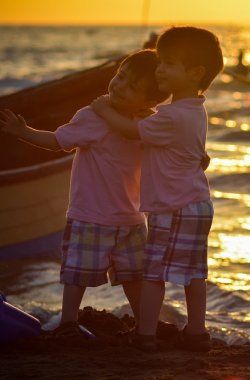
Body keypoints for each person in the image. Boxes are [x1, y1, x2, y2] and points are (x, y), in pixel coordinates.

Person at [0, 50, 170, 338]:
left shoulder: (147, 125)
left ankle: (144, 323)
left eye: (130, 86)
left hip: (131, 218)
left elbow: (167, 154)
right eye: (119, 77)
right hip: (90, 215)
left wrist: (195, 159)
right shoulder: (91, 116)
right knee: (76, 273)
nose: (118, 86)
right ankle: (68, 322)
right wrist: (24, 131)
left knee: (135, 276)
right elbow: (57, 141)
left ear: (150, 101)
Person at [90, 26, 224, 352]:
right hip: (197, 203)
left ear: (195, 73)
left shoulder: (170, 117)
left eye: (169, 64)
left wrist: (102, 109)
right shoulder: (195, 110)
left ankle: (145, 335)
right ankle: (196, 332)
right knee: (194, 273)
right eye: (160, 61)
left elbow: (130, 130)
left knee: (154, 274)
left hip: (172, 207)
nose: (160, 69)